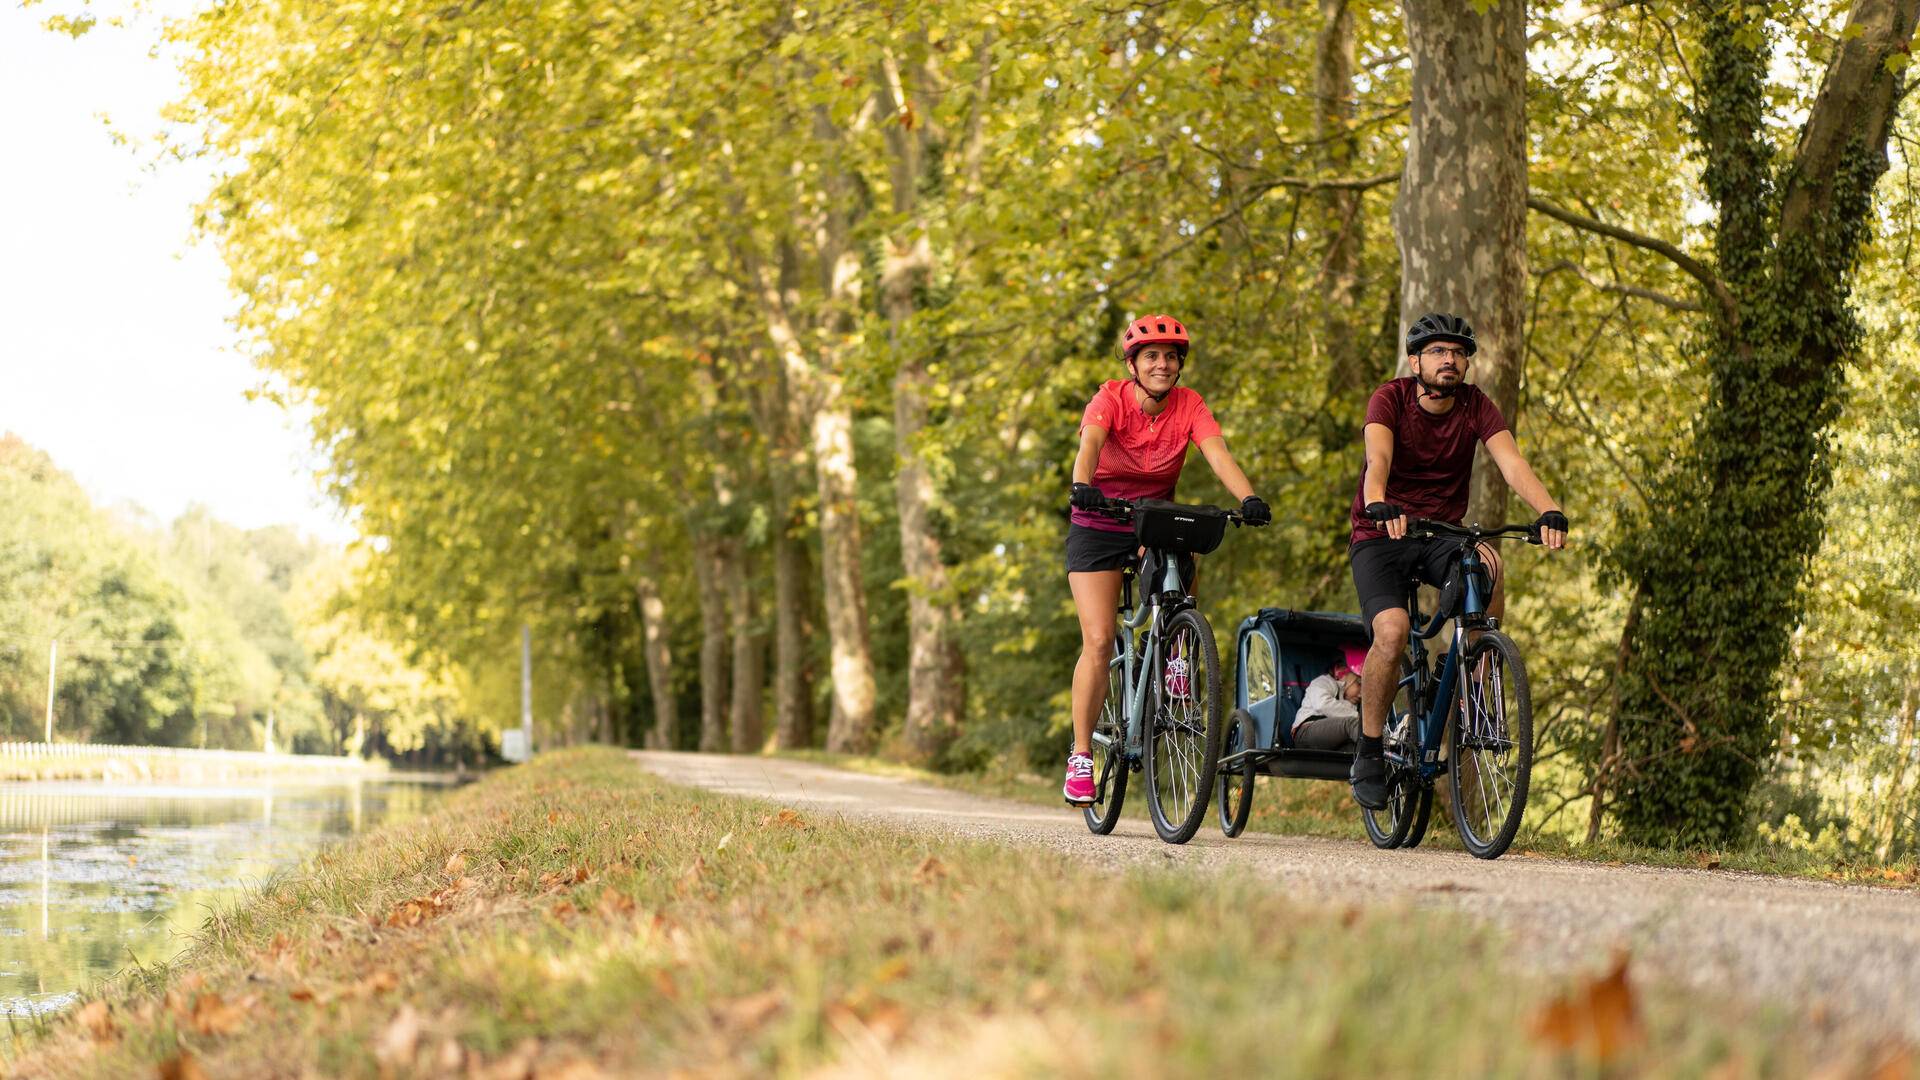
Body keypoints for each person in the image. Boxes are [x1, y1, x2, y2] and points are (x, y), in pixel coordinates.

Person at [1346, 312, 1568, 810]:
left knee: (1489, 559)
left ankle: (1473, 660)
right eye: (1439, 351)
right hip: (1381, 532)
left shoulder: (1475, 405)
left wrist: (1548, 509)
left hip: (1441, 533)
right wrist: (1379, 501)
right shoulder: (1391, 398)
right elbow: (1377, 458)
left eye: (1459, 352)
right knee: (1392, 633)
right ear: (1415, 360)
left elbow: (1512, 464)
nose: (1450, 360)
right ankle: (1370, 747)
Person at [1062, 313, 1270, 806]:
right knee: (1097, 640)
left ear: (1179, 365)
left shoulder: (1189, 404)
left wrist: (1248, 499)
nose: (1162, 364)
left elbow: (1217, 453)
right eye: (1152, 356)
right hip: (1099, 520)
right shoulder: (1110, 397)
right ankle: (1081, 755)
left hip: (1151, 519)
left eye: (1171, 357)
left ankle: (1176, 653)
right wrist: (1084, 488)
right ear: (1133, 363)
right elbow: (1090, 443)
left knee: (1186, 544)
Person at [1292, 661, 1363, 752]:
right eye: (1359, 684)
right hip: (1305, 733)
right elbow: (1322, 704)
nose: (1361, 694)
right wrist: (1356, 715)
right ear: (1341, 673)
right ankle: (1376, 750)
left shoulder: (1351, 704)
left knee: (1352, 749)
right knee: (1353, 724)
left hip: (1330, 742)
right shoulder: (1324, 681)